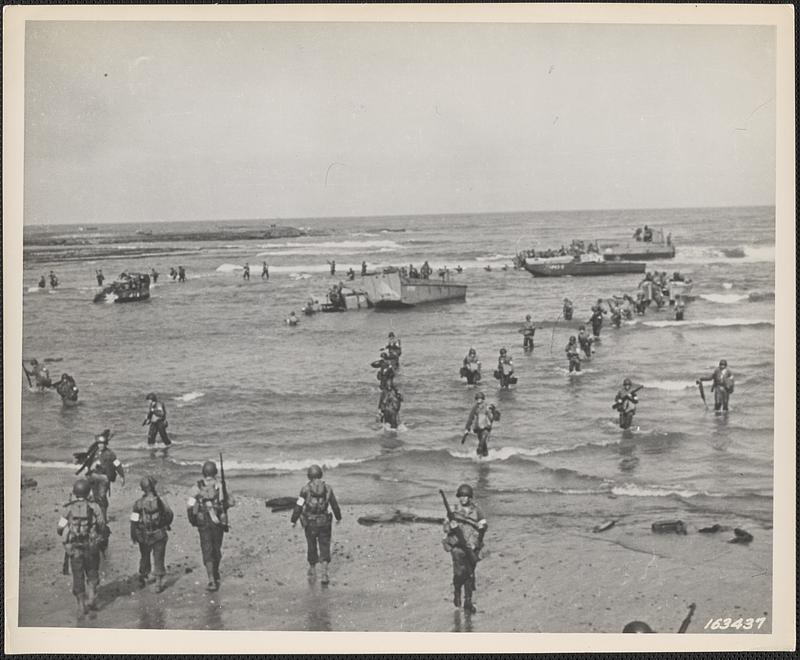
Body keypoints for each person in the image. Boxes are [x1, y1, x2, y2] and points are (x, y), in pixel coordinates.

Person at [57, 478, 106, 615]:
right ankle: (91, 598)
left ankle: (81, 604)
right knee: (92, 571)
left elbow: (59, 528)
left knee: (77, 575)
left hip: (74, 548)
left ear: (74, 492)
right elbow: (102, 524)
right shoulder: (94, 507)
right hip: (91, 545)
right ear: (88, 492)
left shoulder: (68, 508)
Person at [290, 465, 342, 585]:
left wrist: (293, 520)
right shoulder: (328, 488)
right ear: (321, 474)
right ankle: (324, 574)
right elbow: (334, 505)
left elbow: (299, 506)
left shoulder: (305, 489)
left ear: (309, 476)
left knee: (311, 544)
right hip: (324, 522)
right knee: (324, 545)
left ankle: (312, 569)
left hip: (310, 523)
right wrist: (338, 517)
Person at [187, 460, 234, 591]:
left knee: (206, 548)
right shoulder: (220, 486)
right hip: (217, 521)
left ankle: (211, 580)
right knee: (216, 547)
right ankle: (216, 571)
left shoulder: (196, 487)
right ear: (216, 472)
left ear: (203, 473)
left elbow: (190, 506)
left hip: (203, 521)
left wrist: (193, 521)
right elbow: (231, 502)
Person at [442, 484, 487, 613]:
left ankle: (468, 601)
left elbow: (484, 526)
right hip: (457, 547)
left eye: (465, 496)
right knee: (459, 573)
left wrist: (479, 533)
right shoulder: (454, 510)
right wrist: (451, 526)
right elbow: (445, 528)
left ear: (470, 497)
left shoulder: (477, 510)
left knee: (470, 574)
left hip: (472, 546)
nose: (462, 499)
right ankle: (457, 590)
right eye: (461, 496)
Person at [131, 475, 173, 592]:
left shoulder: (139, 503)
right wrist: (165, 524)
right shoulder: (161, 501)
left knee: (144, 556)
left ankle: (143, 576)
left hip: (144, 534)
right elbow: (169, 514)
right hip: (159, 533)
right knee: (159, 557)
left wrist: (134, 534)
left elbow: (133, 520)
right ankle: (158, 582)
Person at [85, 429, 125, 522]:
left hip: (104, 478)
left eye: (102, 444)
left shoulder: (110, 454)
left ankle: (104, 516)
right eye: (99, 443)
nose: (100, 445)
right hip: (94, 477)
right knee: (93, 497)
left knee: (102, 496)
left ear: (106, 444)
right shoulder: (94, 453)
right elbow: (88, 463)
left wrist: (122, 476)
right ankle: (95, 516)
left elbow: (117, 464)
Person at [463, 391, 499, 457]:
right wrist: (467, 429)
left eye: (480, 399)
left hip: (486, 428)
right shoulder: (475, 408)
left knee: (481, 443)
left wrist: (493, 411)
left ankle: (479, 453)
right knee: (484, 445)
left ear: (483, 399)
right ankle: (485, 458)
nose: (479, 400)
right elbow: (470, 418)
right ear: (476, 399)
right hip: (478, 428)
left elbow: (494, 416)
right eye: (477, 399)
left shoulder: (487, 406)